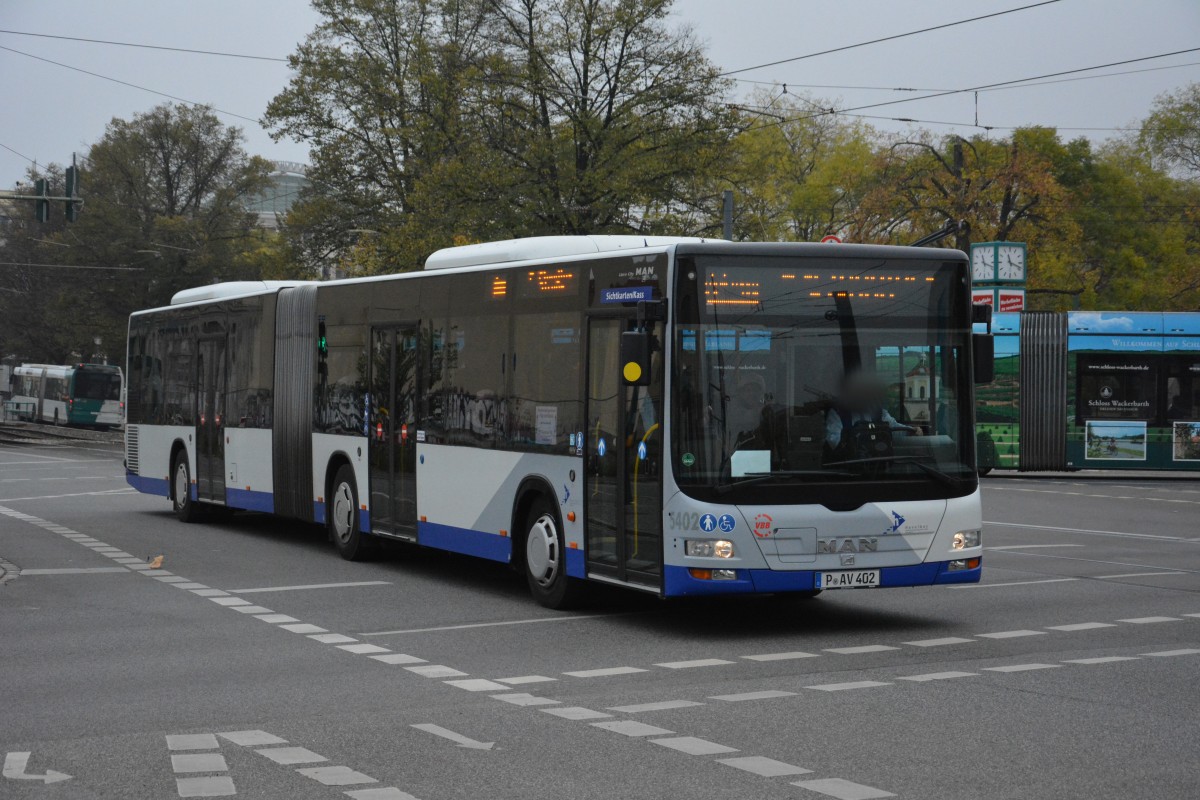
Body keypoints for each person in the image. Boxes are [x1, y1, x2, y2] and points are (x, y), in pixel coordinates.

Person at [825, 369, 919, 452]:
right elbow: (834, 442)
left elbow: (894, 428)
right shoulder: (837, 414)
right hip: (851, 465)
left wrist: (911, 431)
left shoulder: (878, 412)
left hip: (877, 464)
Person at [725, 372, 767, 448]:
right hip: (734, 452)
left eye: (755, 390)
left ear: (761, 393)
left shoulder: (766, 411)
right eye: (748, 390)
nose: (752, 393)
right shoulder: (731, 409)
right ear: (741, 393)